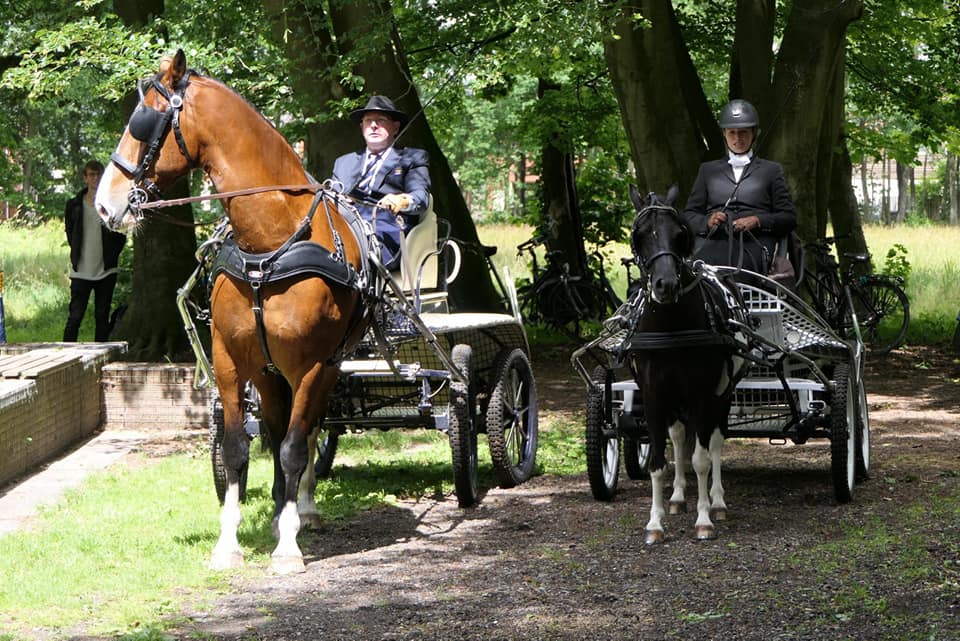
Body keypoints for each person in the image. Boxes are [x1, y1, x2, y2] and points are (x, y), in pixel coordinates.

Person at [682, 98, 797, 274]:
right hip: (714, 241)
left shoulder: (771, 171)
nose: (737, 139)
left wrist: (758, 220)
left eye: (743, 132)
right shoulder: (707, 170)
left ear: (754, 133)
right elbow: (689, 216)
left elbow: (788, 217)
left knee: (740, 268)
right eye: (732, 133)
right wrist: (708, 221)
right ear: (724, 134)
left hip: (755, 243)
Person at [332, 95, 430, 271]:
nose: (373, 125)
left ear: (395, 127)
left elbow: (421, 197)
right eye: (368, 121)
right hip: (343, 226)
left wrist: (402, 200)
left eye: (381, 120)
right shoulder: (343, 163)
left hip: (386, 231)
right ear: (362, 127)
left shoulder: (412, 157)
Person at [63, 160, 127, 342]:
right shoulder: (74, 205)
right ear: (85, 178)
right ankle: (66, 353)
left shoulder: (111, 204)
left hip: (106, 270)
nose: (95, 178)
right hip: (80, 270)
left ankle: (100, 355)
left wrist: (112, 255)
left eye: (98, 174)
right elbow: (70, 233)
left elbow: (120, 233)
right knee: (75, 317)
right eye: (91, 175)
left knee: (101, 316)